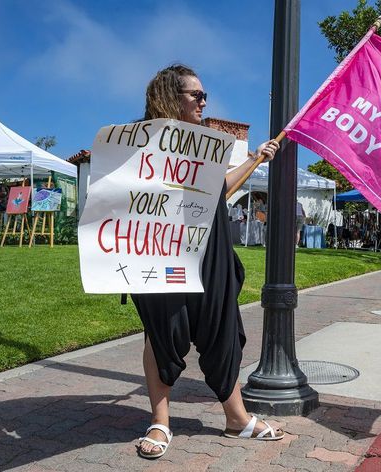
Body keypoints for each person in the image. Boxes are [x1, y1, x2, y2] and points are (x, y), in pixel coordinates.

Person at [133, 64, 283, 460]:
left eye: (204, 95)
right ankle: (160, 422)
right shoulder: (140, 141)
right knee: (161, 330)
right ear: (169, 98)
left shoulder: (204, 145)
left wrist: (255, 160)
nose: (204, 101)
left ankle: (236, 418)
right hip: (161, 249)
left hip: (210, 248)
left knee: (221, 326)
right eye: (195, 95)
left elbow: (218, 190)